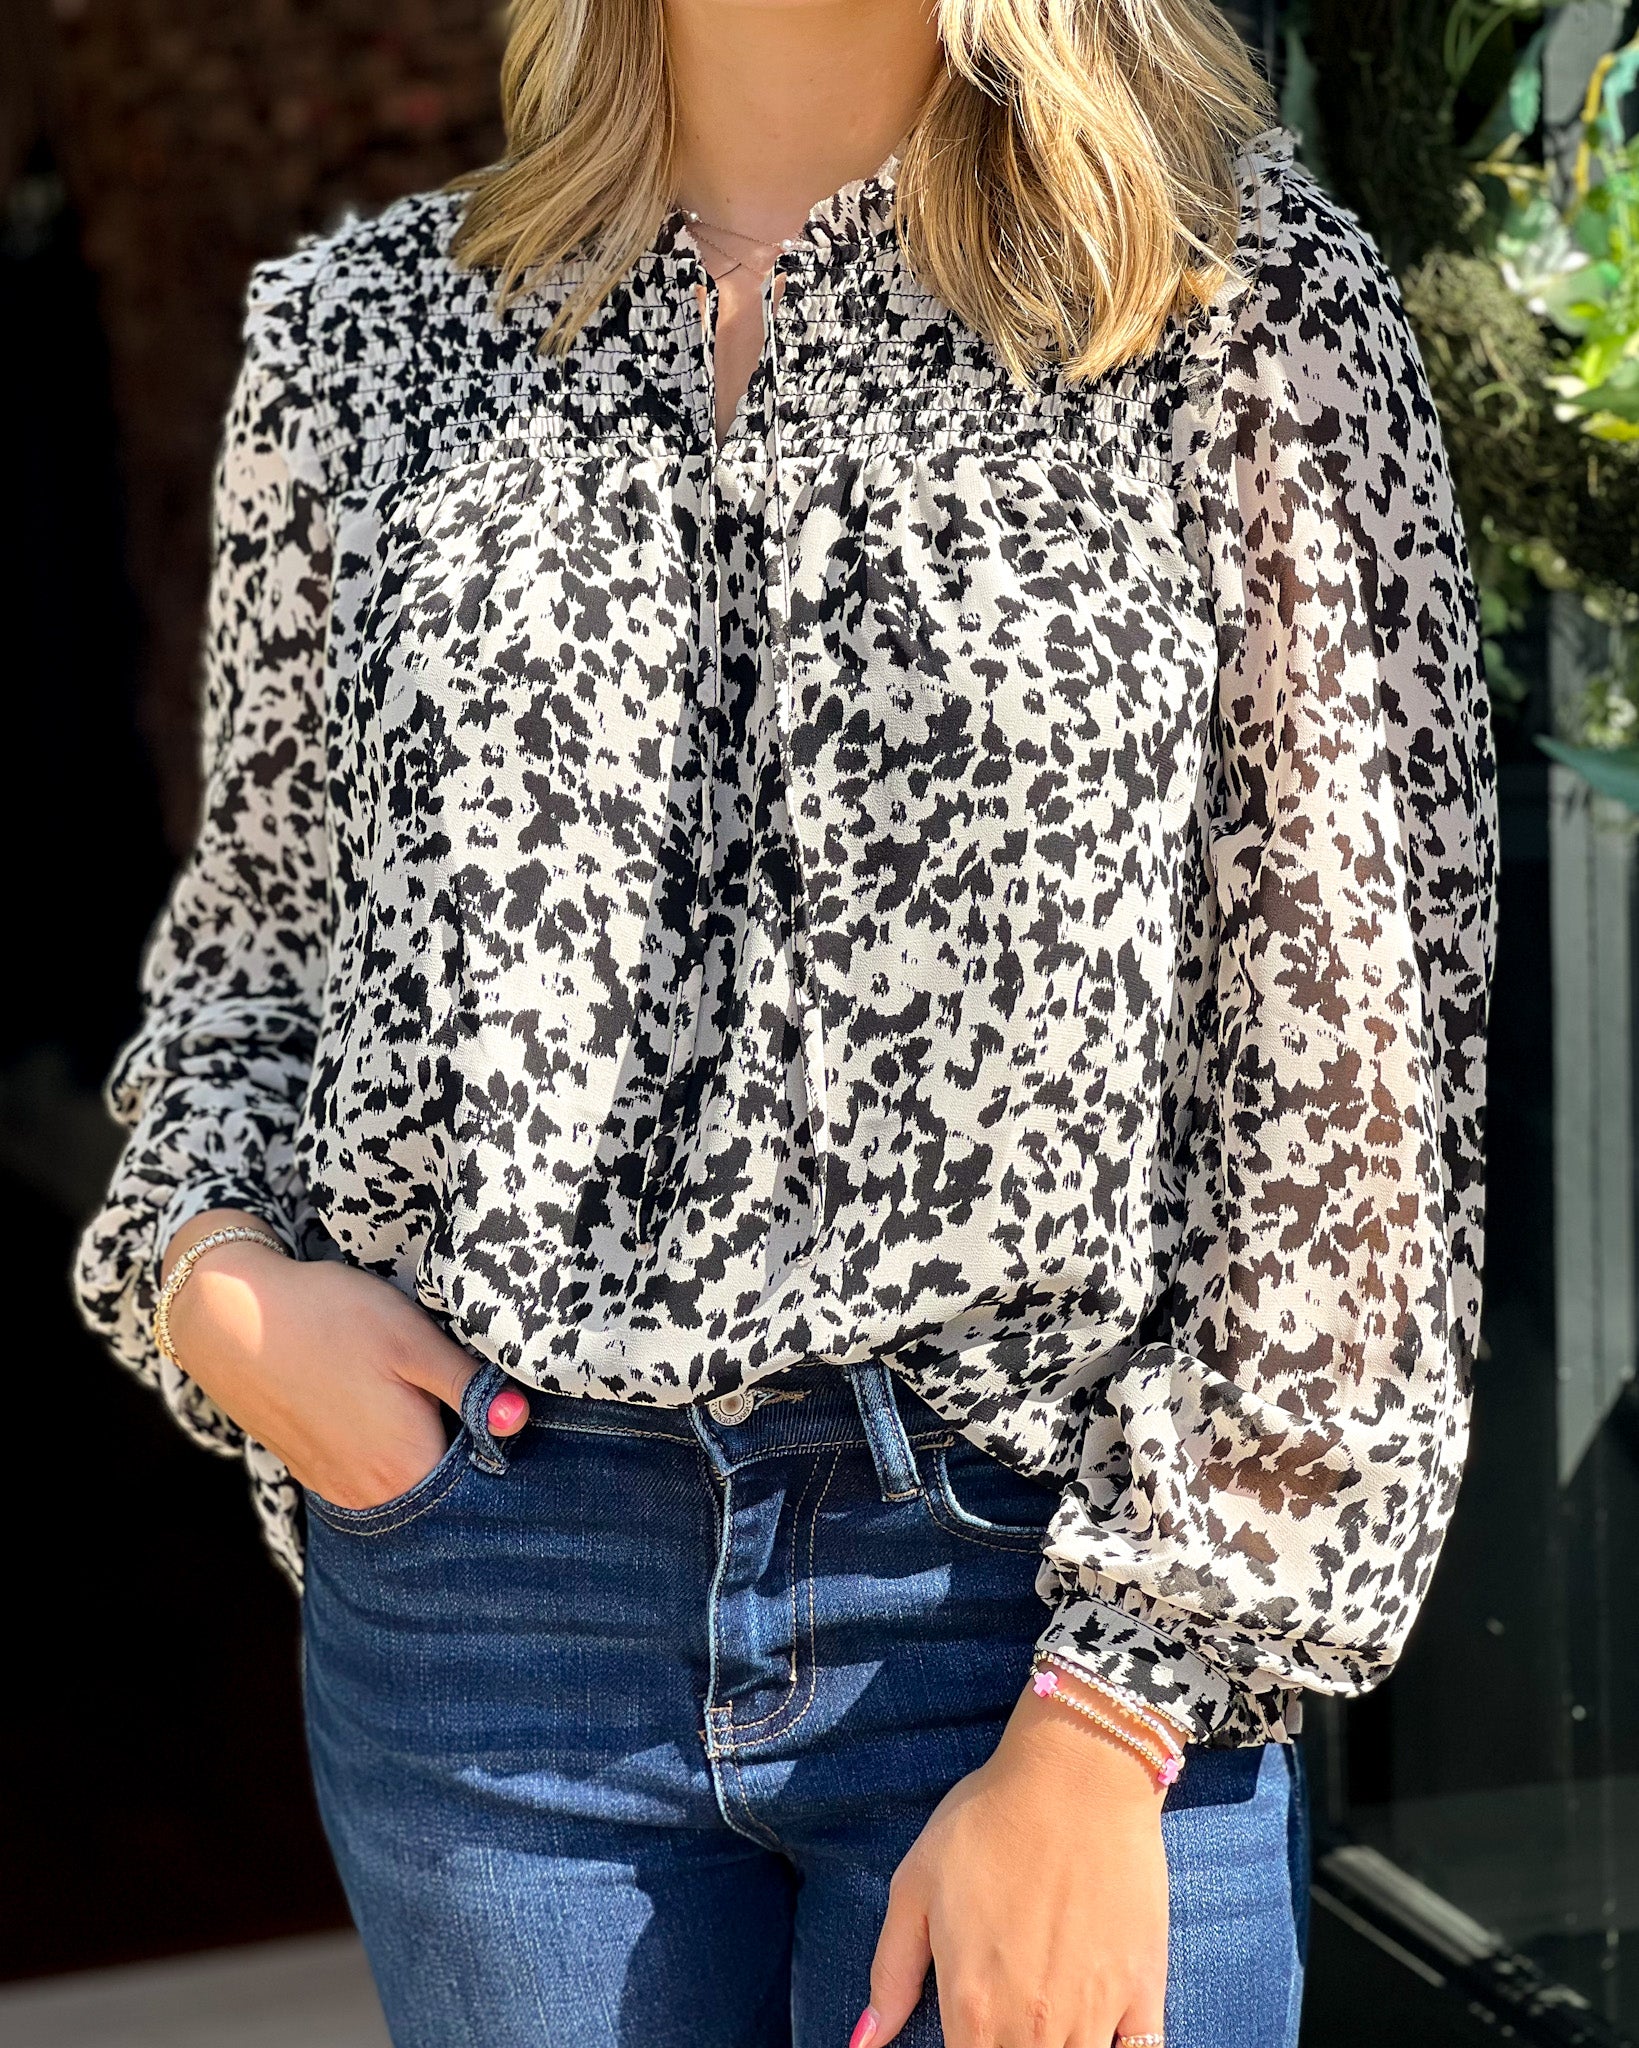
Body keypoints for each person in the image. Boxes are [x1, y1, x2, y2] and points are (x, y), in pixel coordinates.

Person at [74, 0, 1499, 2036]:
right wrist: (209, 1272)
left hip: (1033, 1603)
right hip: (496, 1599)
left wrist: (1122, 1702)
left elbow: (1359, 1072)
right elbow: (260, 949)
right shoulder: (368, 334)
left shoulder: (1226, 304)